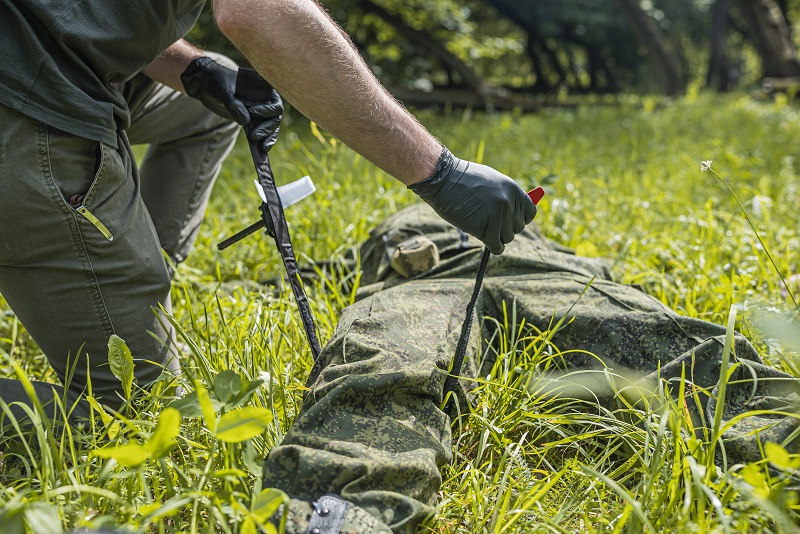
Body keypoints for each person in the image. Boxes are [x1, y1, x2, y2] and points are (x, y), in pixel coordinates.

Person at [0, 0, 535, 421]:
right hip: (26, 108)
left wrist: (194, 69)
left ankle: (113, 276)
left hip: (41, 64)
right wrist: (441, 173)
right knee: (140, 413)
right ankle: (95, 275)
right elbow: (258, 10)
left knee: (208, 104)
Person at [261, 202, 800, 533]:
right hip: (425, 287)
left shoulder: (539, 234)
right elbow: (316, 271)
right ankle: (337, 516)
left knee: (685, 357)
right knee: (385, 364)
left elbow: (622, 286)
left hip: (549, 280)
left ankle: (783, 443)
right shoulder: (386, 233)